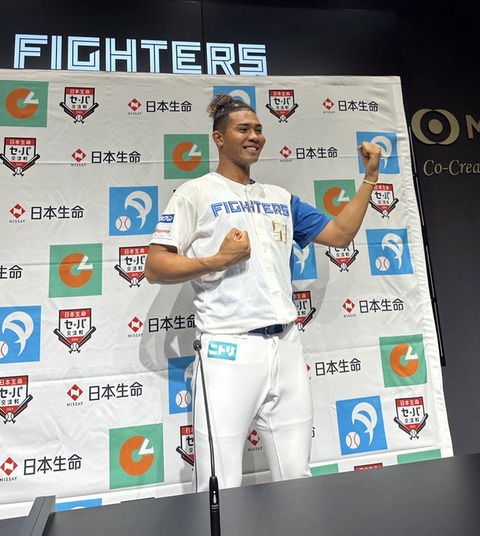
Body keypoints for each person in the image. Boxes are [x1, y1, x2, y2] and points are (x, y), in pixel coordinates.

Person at [145, 93, 382, 492]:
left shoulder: (280, 198)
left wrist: (370, 178)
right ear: (219, 138)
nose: (254, 136)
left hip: (286, 346)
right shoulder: (195, 193)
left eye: (258, 129)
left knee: (296, 477)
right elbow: (155, 266)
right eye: (243, 129)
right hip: (228, 349)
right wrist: (217, 260)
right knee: (219, 483)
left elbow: (341, 235)